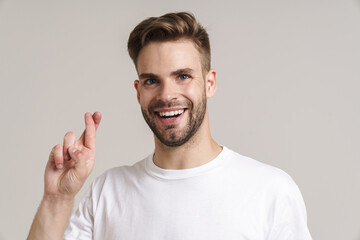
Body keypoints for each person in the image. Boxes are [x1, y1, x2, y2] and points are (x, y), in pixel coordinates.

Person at [27, 12, 312, 240]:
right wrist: (57, 199)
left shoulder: (269, 190)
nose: (166, 95)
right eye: (152, 80)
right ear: (138, 91)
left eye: (183, 76)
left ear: (210, 83)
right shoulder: (108, 192)